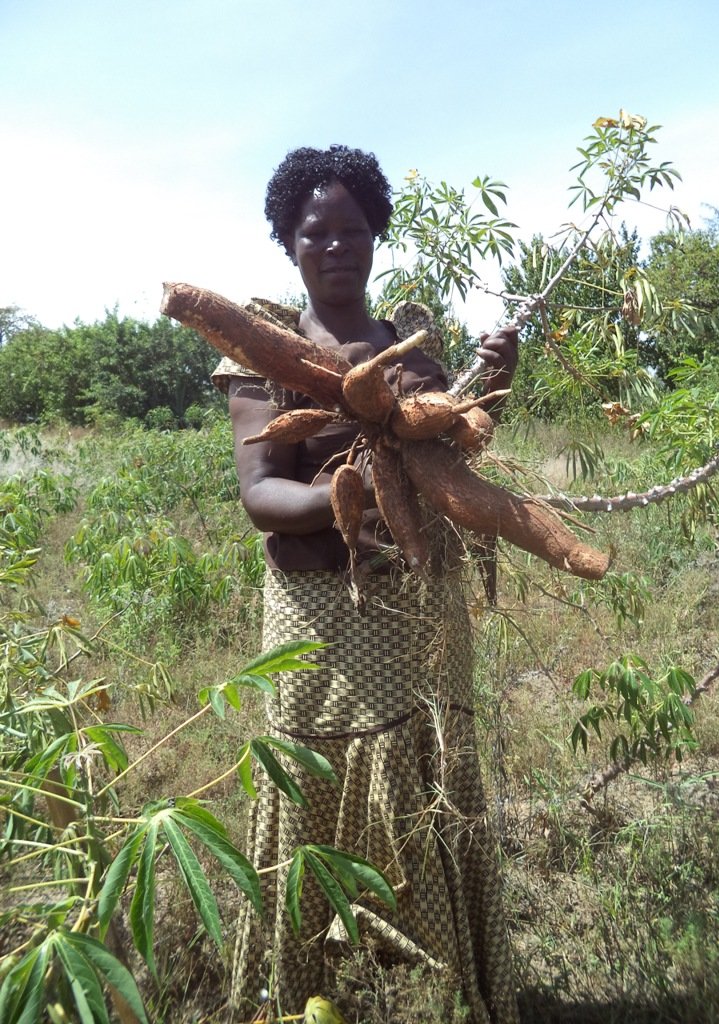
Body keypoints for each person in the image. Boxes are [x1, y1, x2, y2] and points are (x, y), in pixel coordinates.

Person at [212, 145, 519, 1023]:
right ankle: (300, 987)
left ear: (376, 236)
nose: (337, 245)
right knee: (313, 791)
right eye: (316, 231)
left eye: (353, 229)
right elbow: (262, 497)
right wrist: (353, 498)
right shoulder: (261, 354)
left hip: (421, 609)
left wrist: (494, 380)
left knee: (426, 790)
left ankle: (442, 991)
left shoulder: (411, 349)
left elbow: (462, 453)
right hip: (318, 616)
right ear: (287, 241)